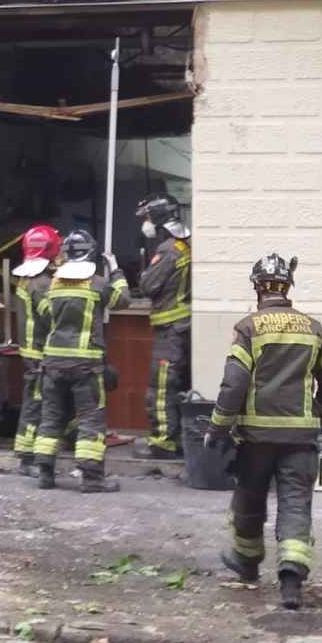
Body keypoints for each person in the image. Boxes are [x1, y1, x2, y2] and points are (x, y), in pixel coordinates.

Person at [210, 254, 322, 610]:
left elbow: (234, 384)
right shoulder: (314, 329)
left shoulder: (248, 328)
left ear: (257, 287)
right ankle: (291, 584)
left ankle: (247, 562)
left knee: (249, 500)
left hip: (256, 439)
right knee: (296, 504)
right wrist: (321, 414)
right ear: (287, 287)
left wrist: (218, 427)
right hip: (301, 438)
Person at [32, 228, 128, 493]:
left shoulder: (51, 284)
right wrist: (116, 269)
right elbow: (123, 300)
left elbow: (42, 319)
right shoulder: (96, 283)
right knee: (90, 421)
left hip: (52, 363)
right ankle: (92, 479)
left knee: (51, 417)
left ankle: (45, 474)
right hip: (85, 364)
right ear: (91, 253)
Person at [135, 194, 191, 460]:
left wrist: (143, 272)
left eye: (147, 217)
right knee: (176, 386)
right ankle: (176, 438)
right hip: (182, 328)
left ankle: (162, 443)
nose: (145, 223)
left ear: (157, 218)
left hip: (170, 330)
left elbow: (148, 286)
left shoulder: (169, 249)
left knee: (160, 389)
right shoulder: (185, 244)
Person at [10, 225, 60, 475]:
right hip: (40, 352)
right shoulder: (41, 282)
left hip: (31, 351)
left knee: (37, 401)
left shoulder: (27, 275)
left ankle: (33, 452)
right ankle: (27, 458)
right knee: (36, 404)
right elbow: (52, 316)